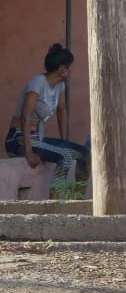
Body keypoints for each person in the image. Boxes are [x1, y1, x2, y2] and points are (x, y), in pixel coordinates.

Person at [6, 43, 88, 187]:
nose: (71, 70)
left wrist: (65, 142)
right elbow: (26, 117)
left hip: (38, 138)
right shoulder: (37, 83)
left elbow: (61, 112)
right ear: (62, 70)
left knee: (85, 154)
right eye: (70, 67)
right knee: (65, 156)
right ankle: (55, 203)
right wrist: (29, 152)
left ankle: (77, 197)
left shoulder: (60, 86)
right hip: (18, 139)